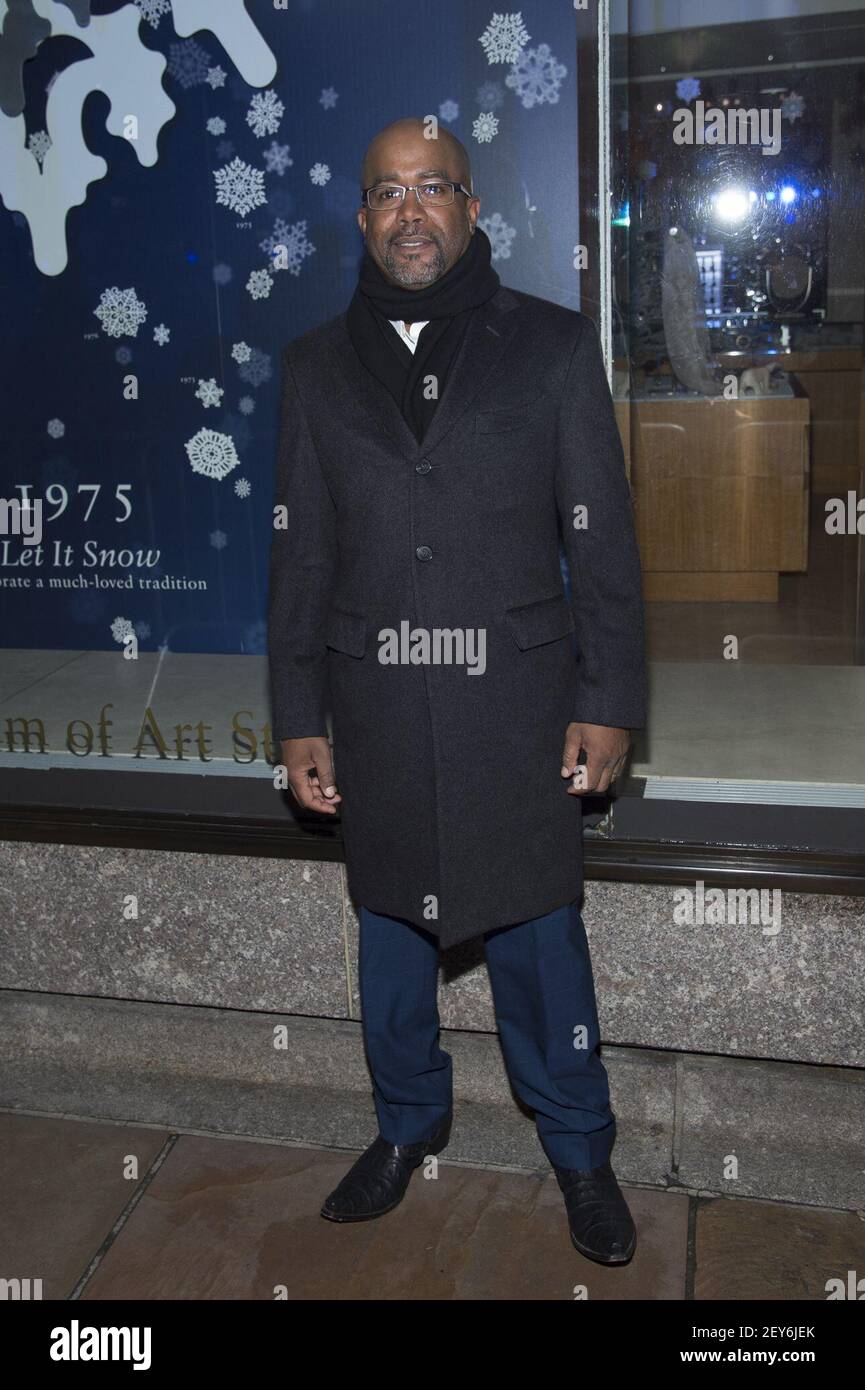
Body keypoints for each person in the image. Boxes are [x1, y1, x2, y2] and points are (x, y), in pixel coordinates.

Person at [267, 117, 647, 1265]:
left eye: (433, 187)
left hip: (519, 715)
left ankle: (581, 1154)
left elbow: (606, 547)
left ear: (472, 207)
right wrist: (297, 718)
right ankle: (403, 1127)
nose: (410, 211)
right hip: (375, 710)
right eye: (387, 193)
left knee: (540, 944)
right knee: (390, 946)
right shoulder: (312, 367)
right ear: (365, 219)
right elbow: (300, 561)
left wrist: (611, 696)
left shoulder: (550, 346)